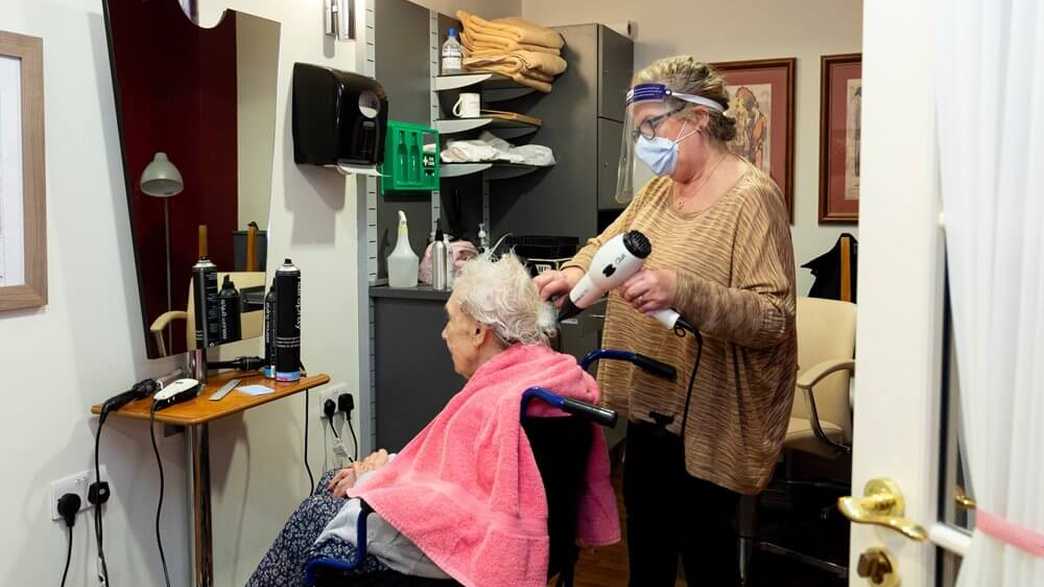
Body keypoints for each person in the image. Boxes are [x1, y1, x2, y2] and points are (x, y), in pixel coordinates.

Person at [535, 56, 797, 586]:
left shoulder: (752, 198)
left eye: (653, 125)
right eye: (640, 130)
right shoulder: (658, 192)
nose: (645, 141)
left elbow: (774, 318)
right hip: (651, 405)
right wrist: (575, 270)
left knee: (707, 560)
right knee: (647, 555)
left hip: (710, 417)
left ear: (698, 119)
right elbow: (609, 246)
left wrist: (685, 291)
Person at [249, 254, 618, 587]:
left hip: (462, 551)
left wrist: (375, 480)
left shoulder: (497, 401)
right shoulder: (548, 379)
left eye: (451, 320)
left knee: (313, 515)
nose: (443, 333)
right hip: (545, 543)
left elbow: (453, 505)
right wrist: (387, 470)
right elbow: (463, 477)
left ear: (478, 331)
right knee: (332, 485)